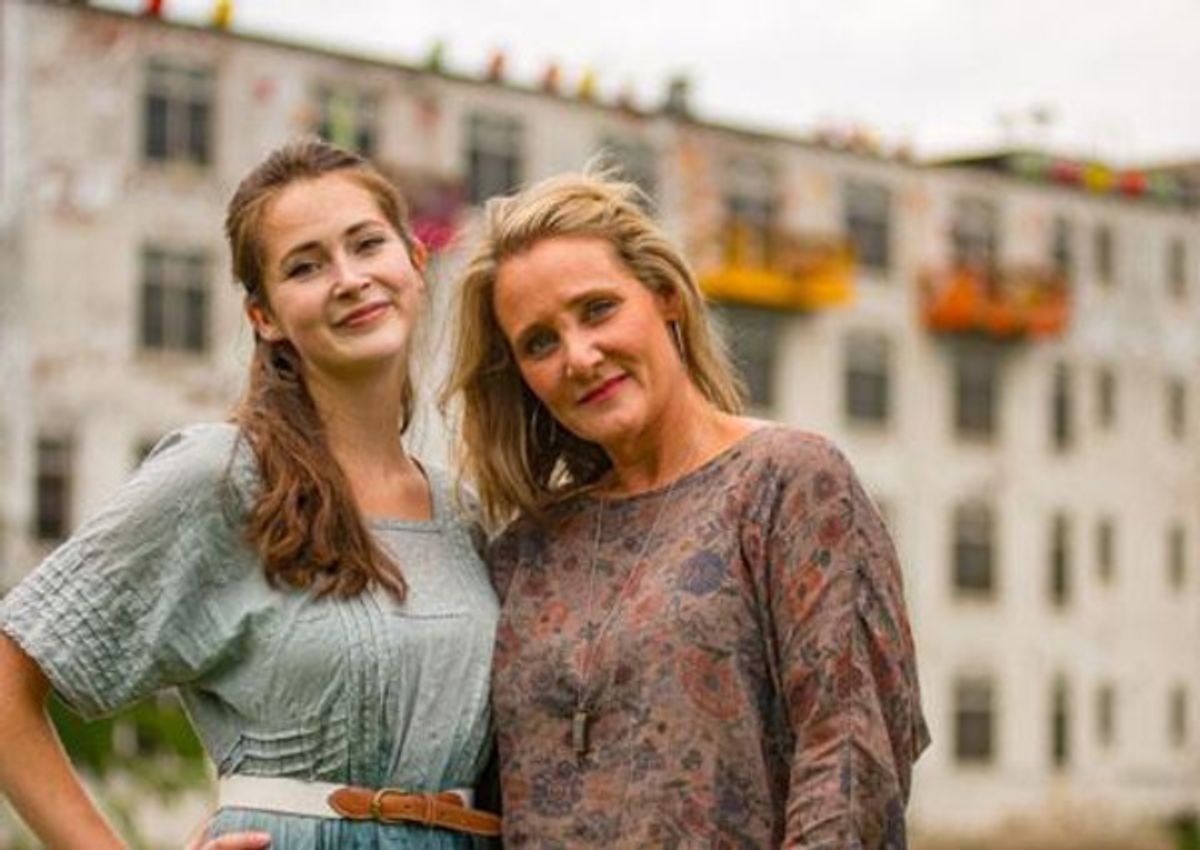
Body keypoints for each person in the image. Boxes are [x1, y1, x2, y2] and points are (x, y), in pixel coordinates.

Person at [0, 139, 500, 850]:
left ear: (416, 264)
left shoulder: (467, 514)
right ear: (264, 316)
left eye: (367, 244)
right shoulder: (225, 477)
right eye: (305, 265)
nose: (350, 278)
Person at [443, 171, 930, 848]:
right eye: (540, 342)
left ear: (666, 299)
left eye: (597, 309)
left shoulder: (790, 483)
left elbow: (850, 755)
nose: (579, 357)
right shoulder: (525, 549)